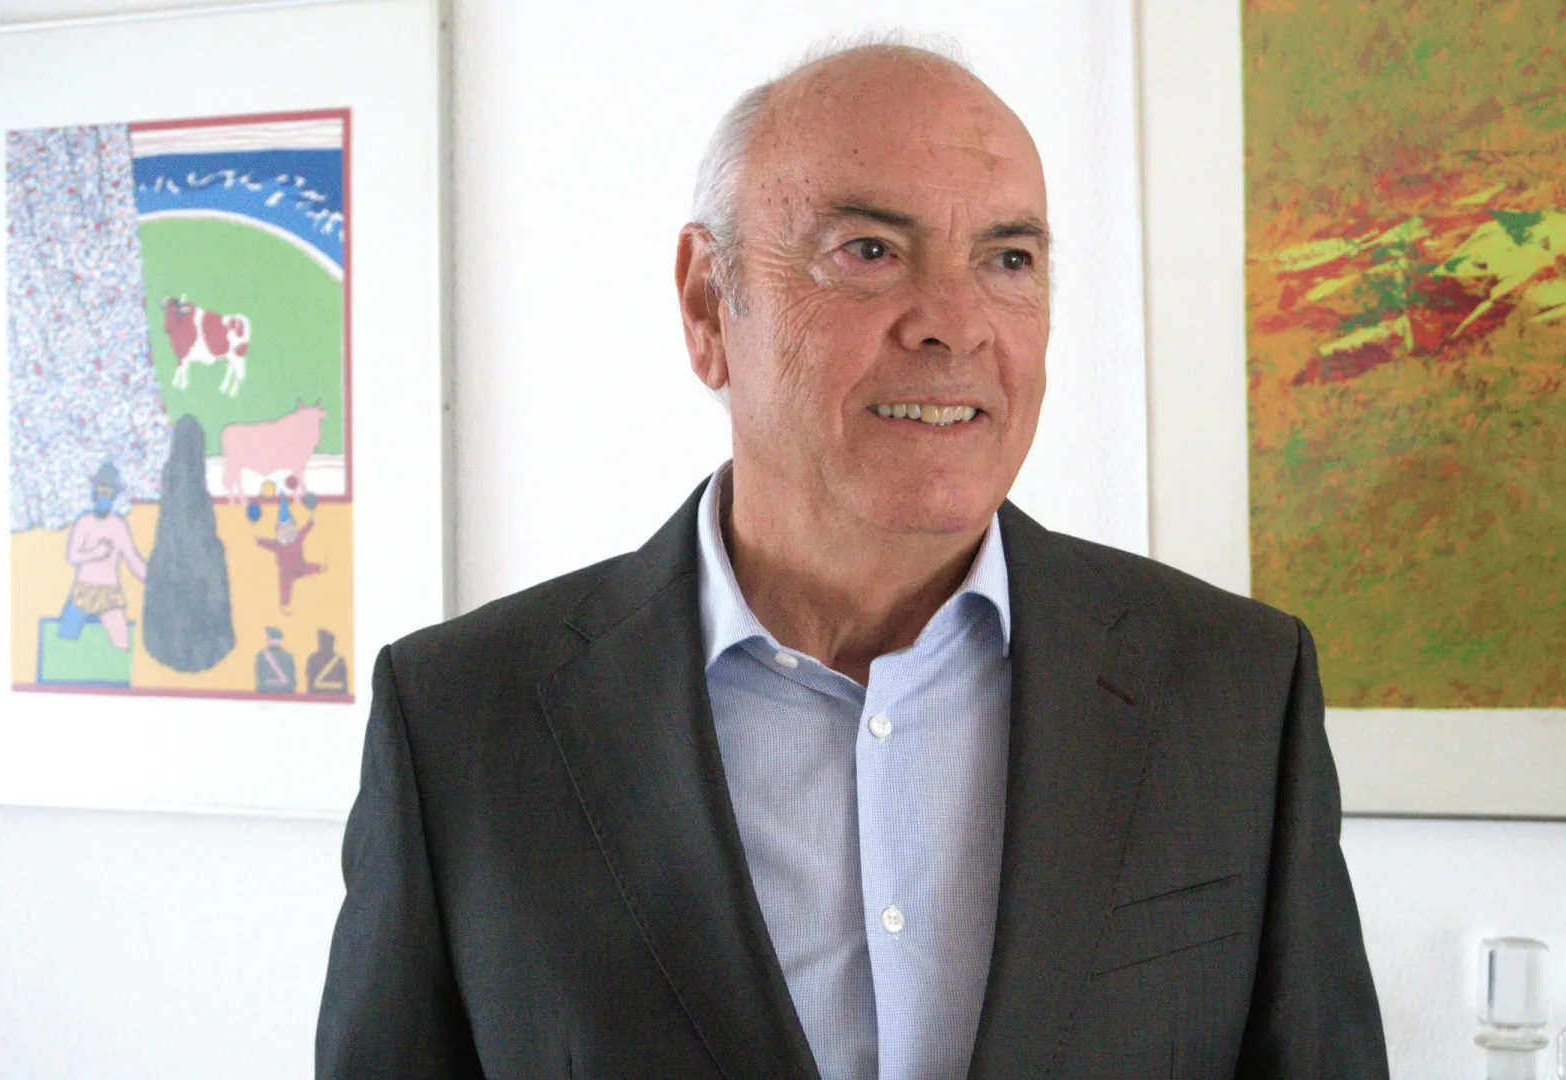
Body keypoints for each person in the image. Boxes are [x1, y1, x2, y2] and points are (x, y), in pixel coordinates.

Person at [318, 38, 1388, 1080]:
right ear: (707, 303)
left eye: (1008, 260)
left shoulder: (1235, 689)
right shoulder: (463, 720)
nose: (956, 324)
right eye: (870, 251)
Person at [59, 461, 148, 650]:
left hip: (109, 593)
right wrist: (95, 553)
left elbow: (132, 558)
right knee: (64, 639)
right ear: (94, 494)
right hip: (83, 591)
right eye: (101, 493)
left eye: (108, 494)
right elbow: (72, 556)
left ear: (114, 496)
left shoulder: (118, 525)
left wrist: (153, 579)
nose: (103, 499)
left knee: (122, 644)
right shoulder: (84, 522)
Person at [305, 629, 349, 696]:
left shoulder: (313, 659)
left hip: (327, 697)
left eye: (322, 642)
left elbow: (310, 684)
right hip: (332, 697)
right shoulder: (339, 660)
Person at [255, 626, 296, 693]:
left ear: (269, 639)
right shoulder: (288, 656)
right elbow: (292, 682)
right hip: (285, 693)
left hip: (266, 692)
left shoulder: (261, 656)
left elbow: (260, 680)